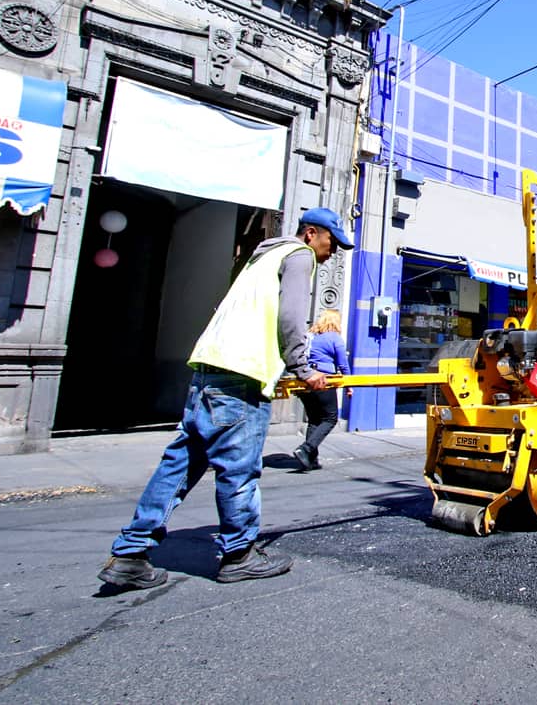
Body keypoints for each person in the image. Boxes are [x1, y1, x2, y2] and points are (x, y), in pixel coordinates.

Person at [98, 207, 355, 590]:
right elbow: (291, 317)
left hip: (209, 370)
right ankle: (239, 555)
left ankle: (131, 552)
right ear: (311, 233)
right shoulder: (298, 256)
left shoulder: (262, 257)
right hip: (241, 377)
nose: (333, 251)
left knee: (180, 464)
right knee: (239, 469)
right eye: (331, 241)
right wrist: (304, 368)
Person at [294, 308, 350, 471]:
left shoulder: (310, 336)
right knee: (330, 418)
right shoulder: (334, 338)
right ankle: (306, 448)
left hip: (305, 379)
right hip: (323, 380)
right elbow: (342, 364)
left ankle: (310, 460)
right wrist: (349, 384)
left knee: (314, 419)